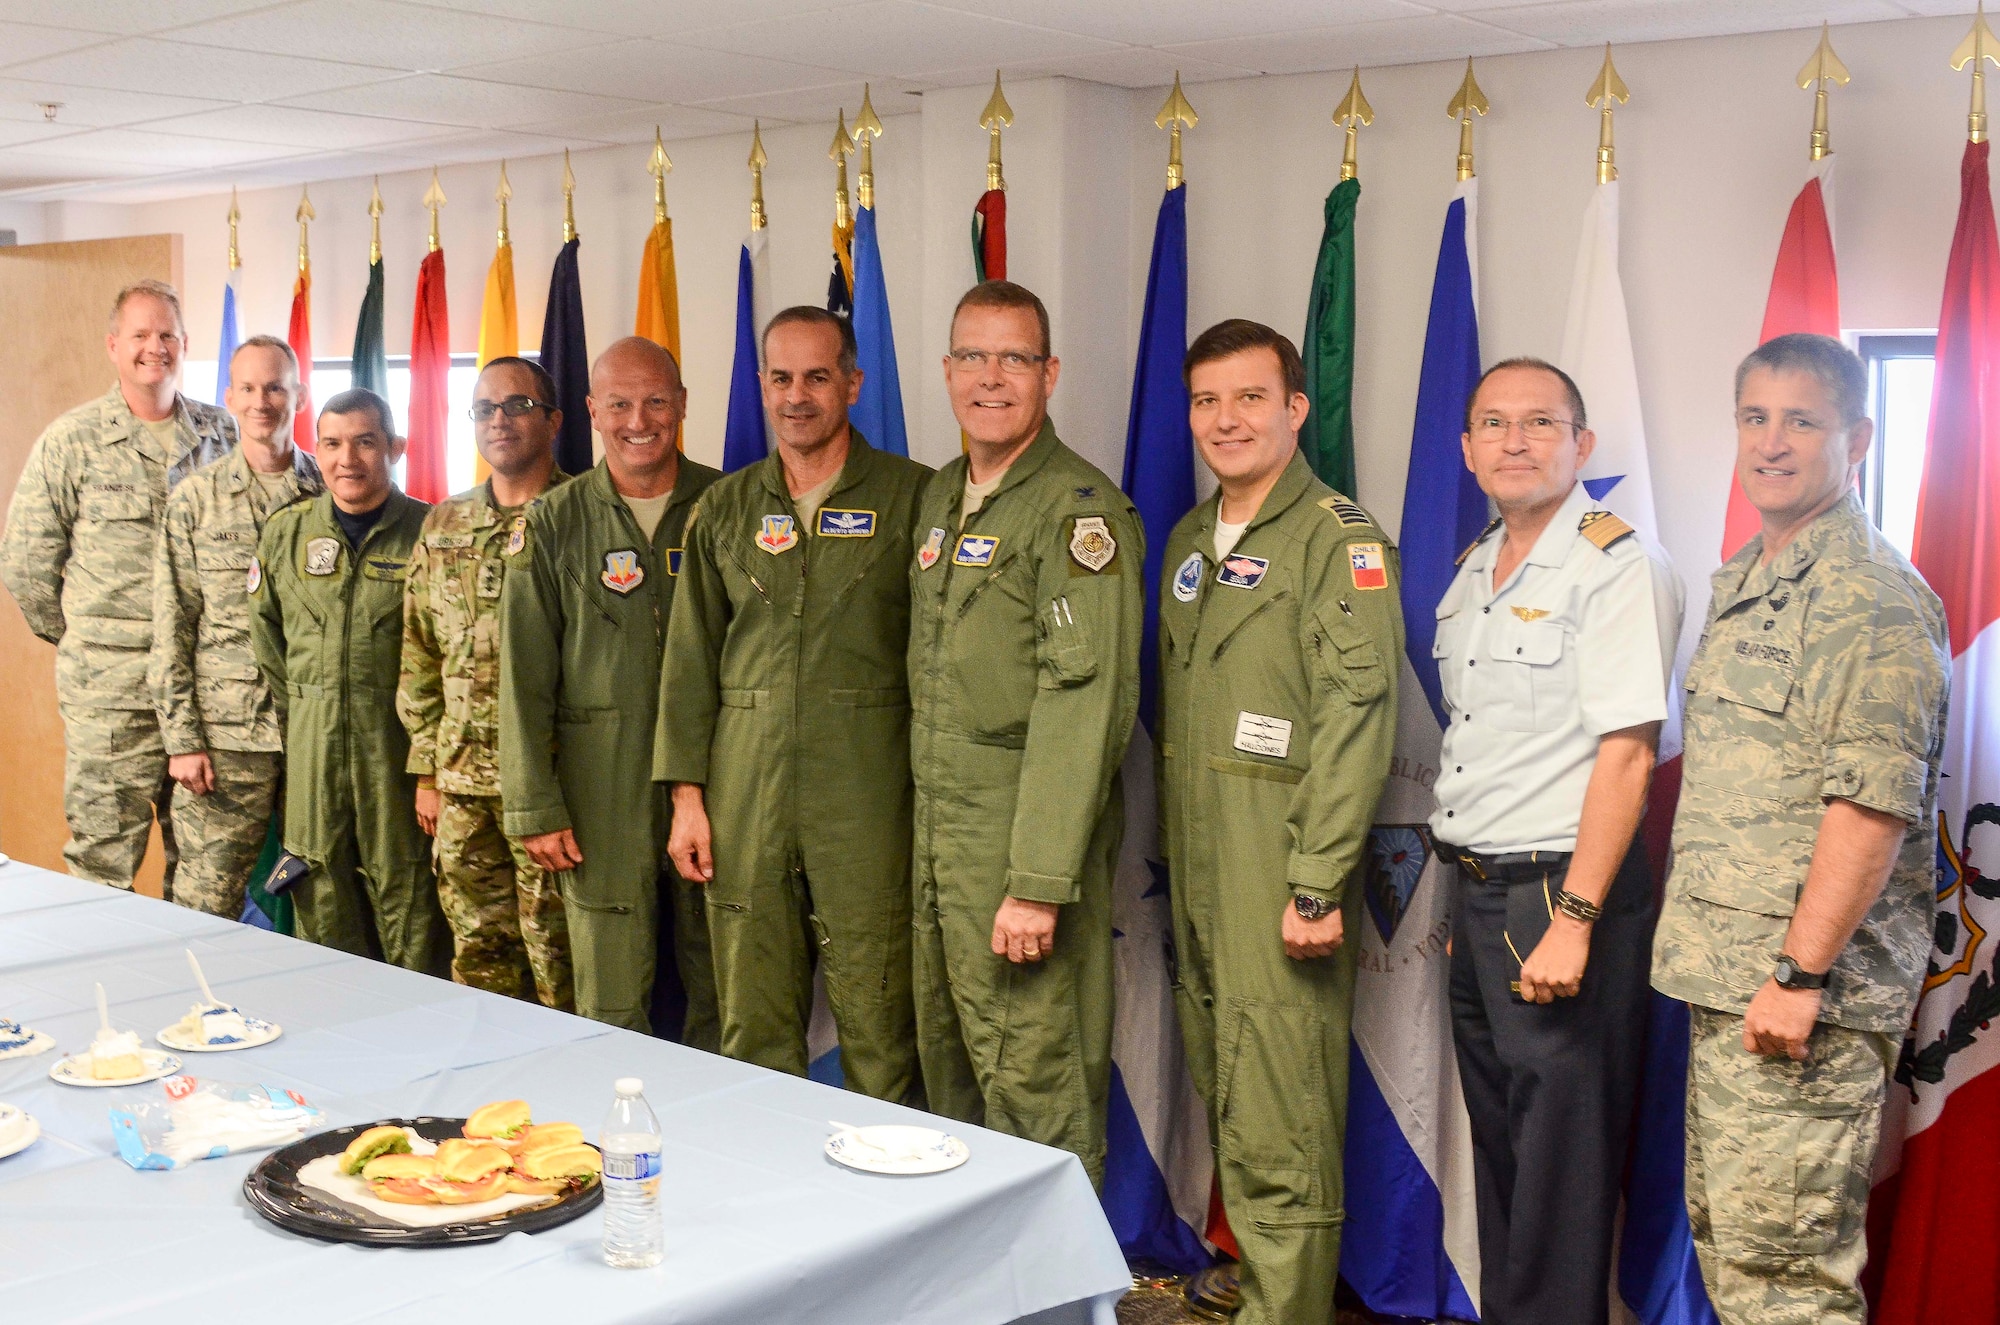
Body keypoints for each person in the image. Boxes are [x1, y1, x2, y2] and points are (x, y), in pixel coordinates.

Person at [1654, 333, 1949, 1325]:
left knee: (1786, 1281)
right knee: (1736, 1254)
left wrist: (1798, 972)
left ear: (1856, 437)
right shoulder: (1745, 577)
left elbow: (1868, 808)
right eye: (1753, 416)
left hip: (1800, 1001)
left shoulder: (1871, 599)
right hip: (1725, 980)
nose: (1770, 442)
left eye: (1800, 420)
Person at [1156, 320, 1403, 1325]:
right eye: (1207, 401)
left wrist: (1313, 879)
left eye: (1249, 397)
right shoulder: (1186, 538)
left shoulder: (1336, 539)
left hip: (1278, 863)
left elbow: (1358, 718)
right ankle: (1258, 1293)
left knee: (1282, 1111)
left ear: (1294, 408)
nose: (1226, 420)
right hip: (1198, 859)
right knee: (1230, 1093)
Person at [1432, 357, 1685, 1324]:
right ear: (1467, 449)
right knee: (1504, 1150)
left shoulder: (1616, 563)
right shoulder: (1474, 570)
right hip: (1484, 893)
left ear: (1581, 445)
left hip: (1561, 891)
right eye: (1494, 423)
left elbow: (1627, 755)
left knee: (1562, 1171)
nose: (1516, 440)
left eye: (1542, 422)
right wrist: (1469, 896)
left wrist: (1574, 917)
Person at [906, 280, 1143, 1184]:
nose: (990, 378)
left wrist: (1038, 882)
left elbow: (1083, 708)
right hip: (939, 837)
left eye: (1014, 358)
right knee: (954, 1079)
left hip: (1014, 842)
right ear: (947, 370)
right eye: (973, 356)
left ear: (1049, 374)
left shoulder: (1079, 513)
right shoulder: (941, 496)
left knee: (1034, 1083)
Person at [659, 307, 929, 1097]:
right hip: (746, 797)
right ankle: (768, 1211)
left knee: (882, 1029)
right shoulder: (727, 506)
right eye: (781, 378)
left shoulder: (915, 498)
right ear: (761, 387)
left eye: (817, 376)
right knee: (752, 1029)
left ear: (853, 382)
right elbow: (688, 664)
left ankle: (896, 1206)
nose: (798, 395)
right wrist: (686, 798)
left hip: (870, 799)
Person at [499, 337, 722, 1038]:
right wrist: (535, 802)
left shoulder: (730, 504)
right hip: (599, 793)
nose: (640, 419)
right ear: (593, 411)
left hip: (717, 781)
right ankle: (614, 1144)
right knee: (611, 999)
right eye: (620, 402)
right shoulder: (553, 520)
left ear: (683, 404)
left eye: (657, 400)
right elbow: (523, 674)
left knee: (722, 983)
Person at [1, 280, 235, 891]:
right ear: (113, 345)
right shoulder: (70, 441)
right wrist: (86, 639)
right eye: (140, 335)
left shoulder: (225, 436)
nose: (154, 347)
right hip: (112, 695)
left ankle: (195, 986)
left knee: (207, 874)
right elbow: (26, 561)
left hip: (208, 694)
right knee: (102, 868)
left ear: (185, 344)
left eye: (166, 335)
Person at [249, 389, 447, 973]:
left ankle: (416, 1039)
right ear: (317, 450)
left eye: (365, 441)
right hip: (313, 755)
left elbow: (448, 656)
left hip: (397, 754)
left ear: (395, 448)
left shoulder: (430, 532)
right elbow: (269, 645)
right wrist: (310, 715)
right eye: (332, 443)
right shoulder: (287, 534)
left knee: (408, 898)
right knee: (321, 900)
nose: (348, 459)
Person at [399, 356, 571, 1008]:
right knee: (479, 963)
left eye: (517, 405)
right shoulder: (443, 525)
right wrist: (427, 771)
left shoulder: (580, 515)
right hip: (463, 789)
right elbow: (418, 651)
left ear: (553, 420)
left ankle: (568, 1103)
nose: (499, 420)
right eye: (484, 408)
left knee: (561, 965)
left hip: (552, 793)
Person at [151, 335, 322, 919]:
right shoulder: (195, 501)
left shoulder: (328, 493)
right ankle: (196, 1011)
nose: (262, 401)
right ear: (229, 397)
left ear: (298, 395)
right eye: (248, 388)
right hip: (225, 743)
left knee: (320, 897)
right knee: (205, 901)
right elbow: (171, 626)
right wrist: (183, 741)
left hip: (310, 736)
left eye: (275, 386)